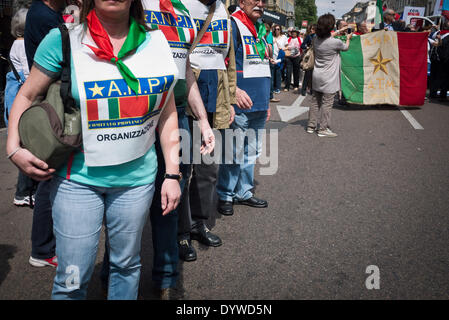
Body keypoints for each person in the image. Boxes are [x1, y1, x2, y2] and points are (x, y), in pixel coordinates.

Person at [7, 0, 181, 300]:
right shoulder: (63, 40)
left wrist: (173, 174)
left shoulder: (157, 42)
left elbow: (167, 114)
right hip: (78, 182)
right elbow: (27, 94)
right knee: (72, 276)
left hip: (137, 182)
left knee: (127, 266)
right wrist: (13, 148)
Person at [100, 0, 215, 300]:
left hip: (175, 117)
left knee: (169, 203)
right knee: (122, 202)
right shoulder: (134, 5)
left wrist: (203, 120)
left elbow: (185, 71)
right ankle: (112, 274)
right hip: (132, 116)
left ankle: (165, 279)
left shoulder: (186, 14)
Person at [177, 0, 236, 262]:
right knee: (183, 169)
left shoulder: (224, 10)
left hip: (217, 96)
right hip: (188, 92)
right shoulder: (182, 6)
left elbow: (229, 59)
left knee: (209, 169)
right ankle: (180, 232)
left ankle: (199, 223)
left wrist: (230, 99)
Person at [216, 0, 270, 216]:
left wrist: (267, 101)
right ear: (240, 2)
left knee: (252, 150)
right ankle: (225, 194)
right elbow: (221, 61)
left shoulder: (260, 28)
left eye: (263, 1)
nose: (260, 4)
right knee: (233, 151)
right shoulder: (233, 25)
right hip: (239, 102)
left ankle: (243, 192)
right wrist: (233, 91)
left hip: (259, 101)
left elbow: (262, 64)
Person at [24, 0, 66, 268]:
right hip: (52, 105)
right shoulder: (44, 17)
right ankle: (42, 249)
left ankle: (43, 247)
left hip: (51, 104)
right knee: (49, 179)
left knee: (49, 178)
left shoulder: (44, 13)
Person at [5, 8, 36, 208]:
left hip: (13, 93)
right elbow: (28, 74)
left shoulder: (16, 43)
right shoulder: (23, 45)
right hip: (22, 96)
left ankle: (25, 191)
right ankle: (23, 192)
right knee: (27, 144)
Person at [306, 13, 351, 138]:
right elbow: (346, 47)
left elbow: (327, 37)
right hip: (329, 78)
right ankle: (323, 128)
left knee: (315, 101)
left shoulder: (315, 39)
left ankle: (311, 126)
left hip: (317, 75)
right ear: (331, 27)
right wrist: (348, 37)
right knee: (327, 103)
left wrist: (339, 31)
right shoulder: (335, 42)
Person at [271, 24, 287, 95]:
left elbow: (287, 47)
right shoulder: (271, 37)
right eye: (275, 29)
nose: (277, 30)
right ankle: (273, 87)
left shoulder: (284, 37)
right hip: (272, 57)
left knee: (278, 73)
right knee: (272, 73)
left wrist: (282, 48)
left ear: (280, 30)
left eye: (278, 29)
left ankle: (277, 87)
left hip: (280, 57)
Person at [300, 24, 316, 96]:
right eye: (311, 29)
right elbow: (302, 45)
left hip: (317, 57)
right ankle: (303, 90)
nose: (311, 30)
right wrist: (307, 47)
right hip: (310, 56)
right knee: (307, 73)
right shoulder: (308, 37)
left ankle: (313, 90)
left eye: (313, 29)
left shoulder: (319, 36)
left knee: (315, 75)